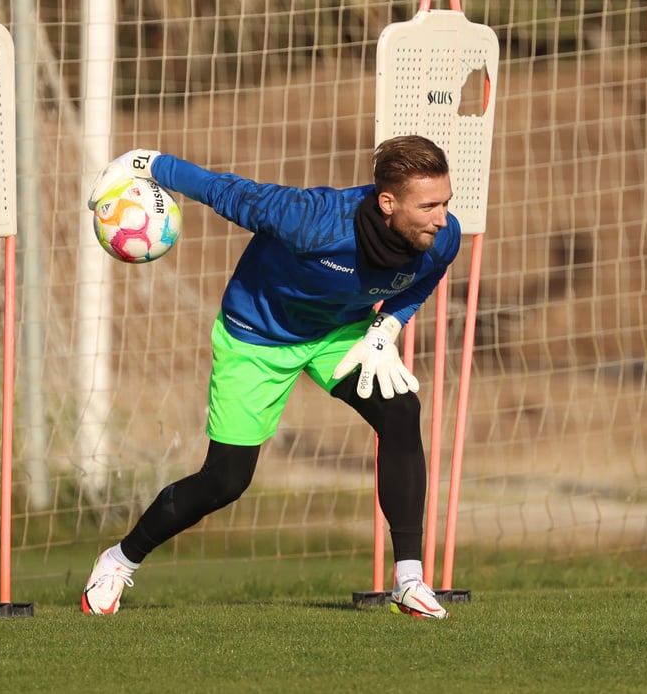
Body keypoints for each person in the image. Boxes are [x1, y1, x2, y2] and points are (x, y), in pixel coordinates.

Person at [82, 135, 460, 619]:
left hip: (339, 332)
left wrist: (386, 328)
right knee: (226, 480)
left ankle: (409, 580)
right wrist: (148, 164)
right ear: (387, 203)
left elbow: (426, 276)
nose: (442, 217)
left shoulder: (440, 236)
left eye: (445, 202)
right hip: (257, 337)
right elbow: (226, 191)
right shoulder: (310, 219)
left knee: (402, 411)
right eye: (429, 205)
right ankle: (118, 560)